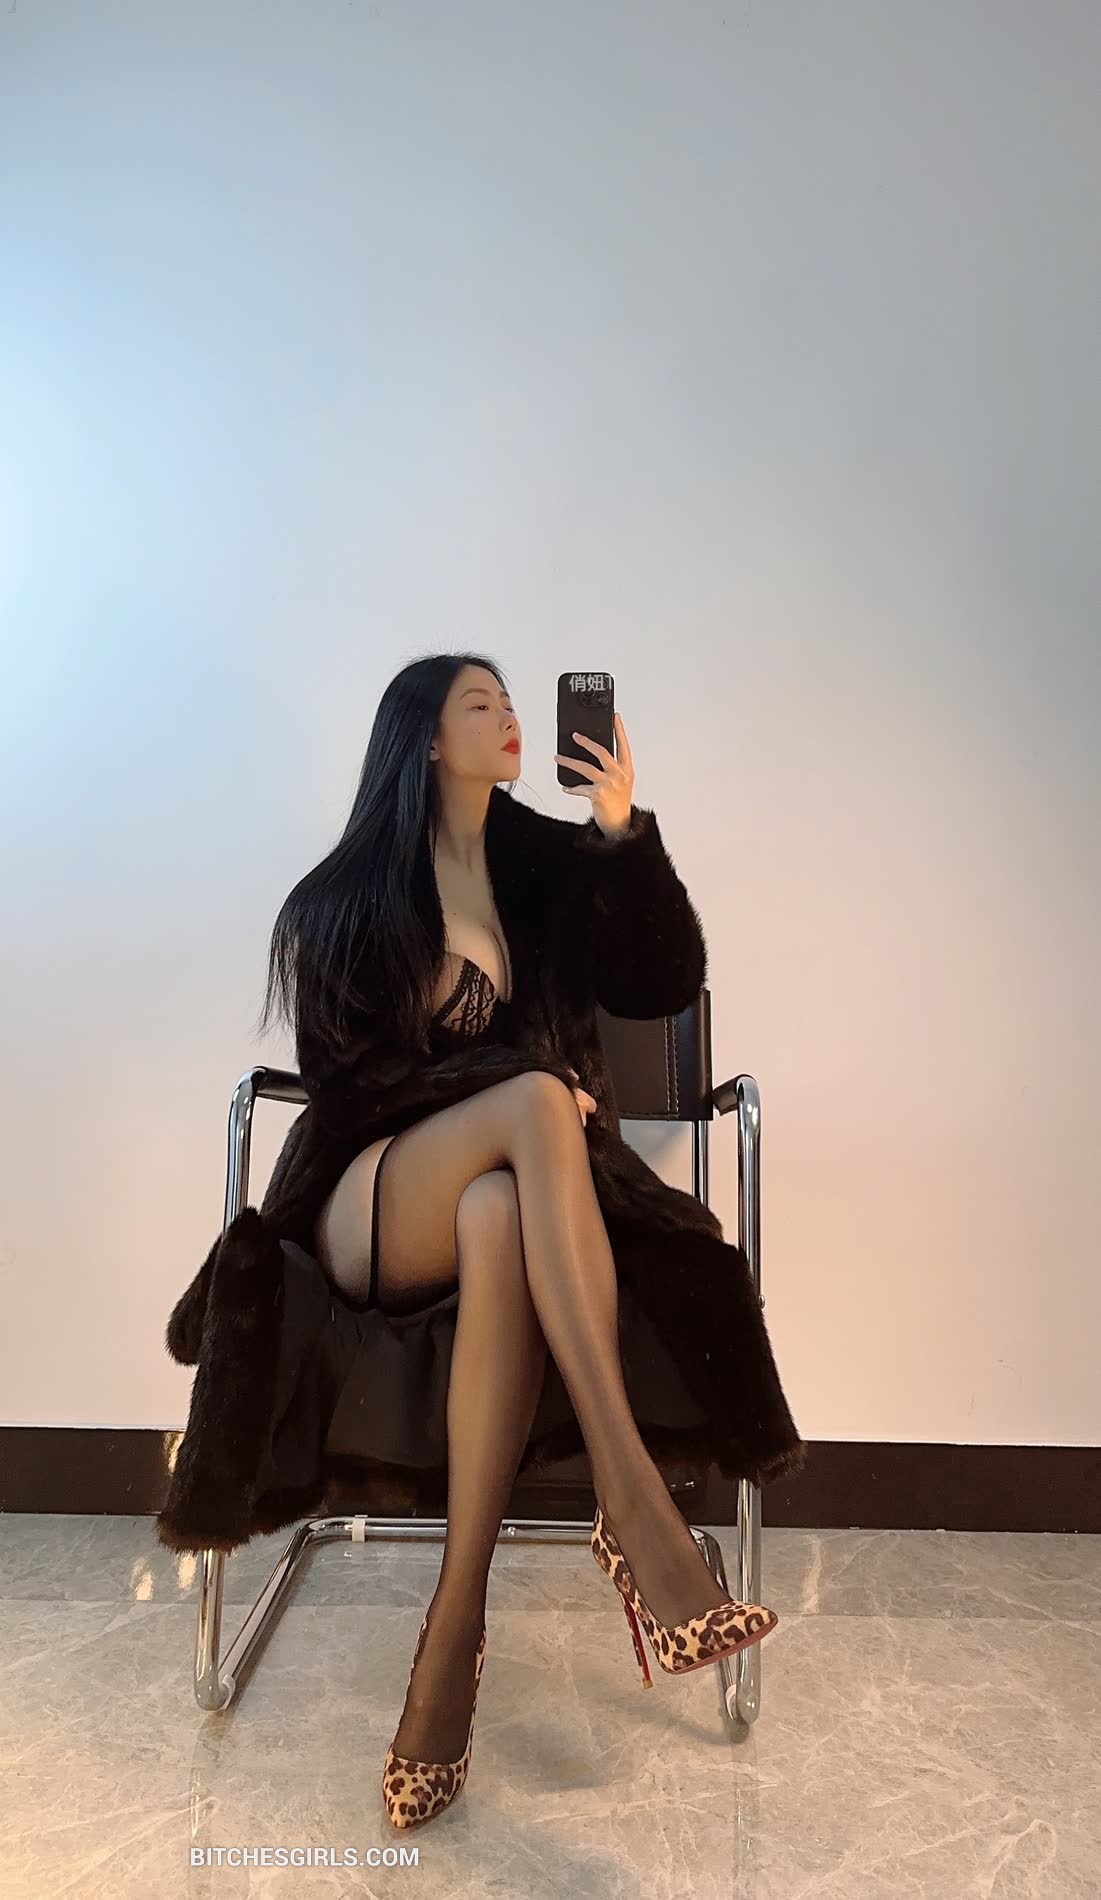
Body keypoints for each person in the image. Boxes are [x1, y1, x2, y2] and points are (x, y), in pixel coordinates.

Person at [158, 650, 804, 1831]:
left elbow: (665, 982)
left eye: (511, 703)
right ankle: (633, 1504)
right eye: (480, 703)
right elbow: (347, 1082)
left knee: (501, 1206)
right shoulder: (347, 894)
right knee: (538, 1104)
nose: (508, 717)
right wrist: (521, 1089)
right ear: (424, 738)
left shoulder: (546, 872)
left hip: (492, 1201)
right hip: (366, 1194)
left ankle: (451, 1637)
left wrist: (620, 830)